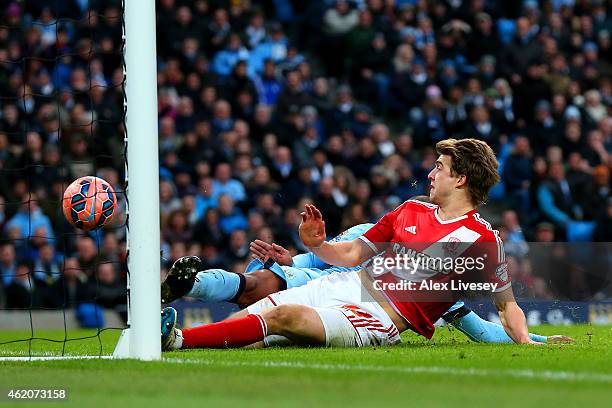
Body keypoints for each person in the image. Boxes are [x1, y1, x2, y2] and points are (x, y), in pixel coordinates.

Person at [161, 139, 571, 350]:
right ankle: (172, 342)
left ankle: (175, 340)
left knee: (285, 317)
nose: (430, 173)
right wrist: (318, 245)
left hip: (378, 318)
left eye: (440, 168)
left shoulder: (482, 240)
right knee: (252, 324)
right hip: (342, 285)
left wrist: (530, 342)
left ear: (460, 178)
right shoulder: (410, 209)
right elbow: (353, 253)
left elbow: (507, 305)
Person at [162, 220, 553, 344]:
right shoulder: (390, 227)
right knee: (260, 286)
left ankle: (179, 328)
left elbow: (483, 331)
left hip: (355, 303)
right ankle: (188, 287)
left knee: (267, 299)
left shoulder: (443, 286)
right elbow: (330, 252)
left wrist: (536, 339)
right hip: (324, 277)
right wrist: (296, 256)